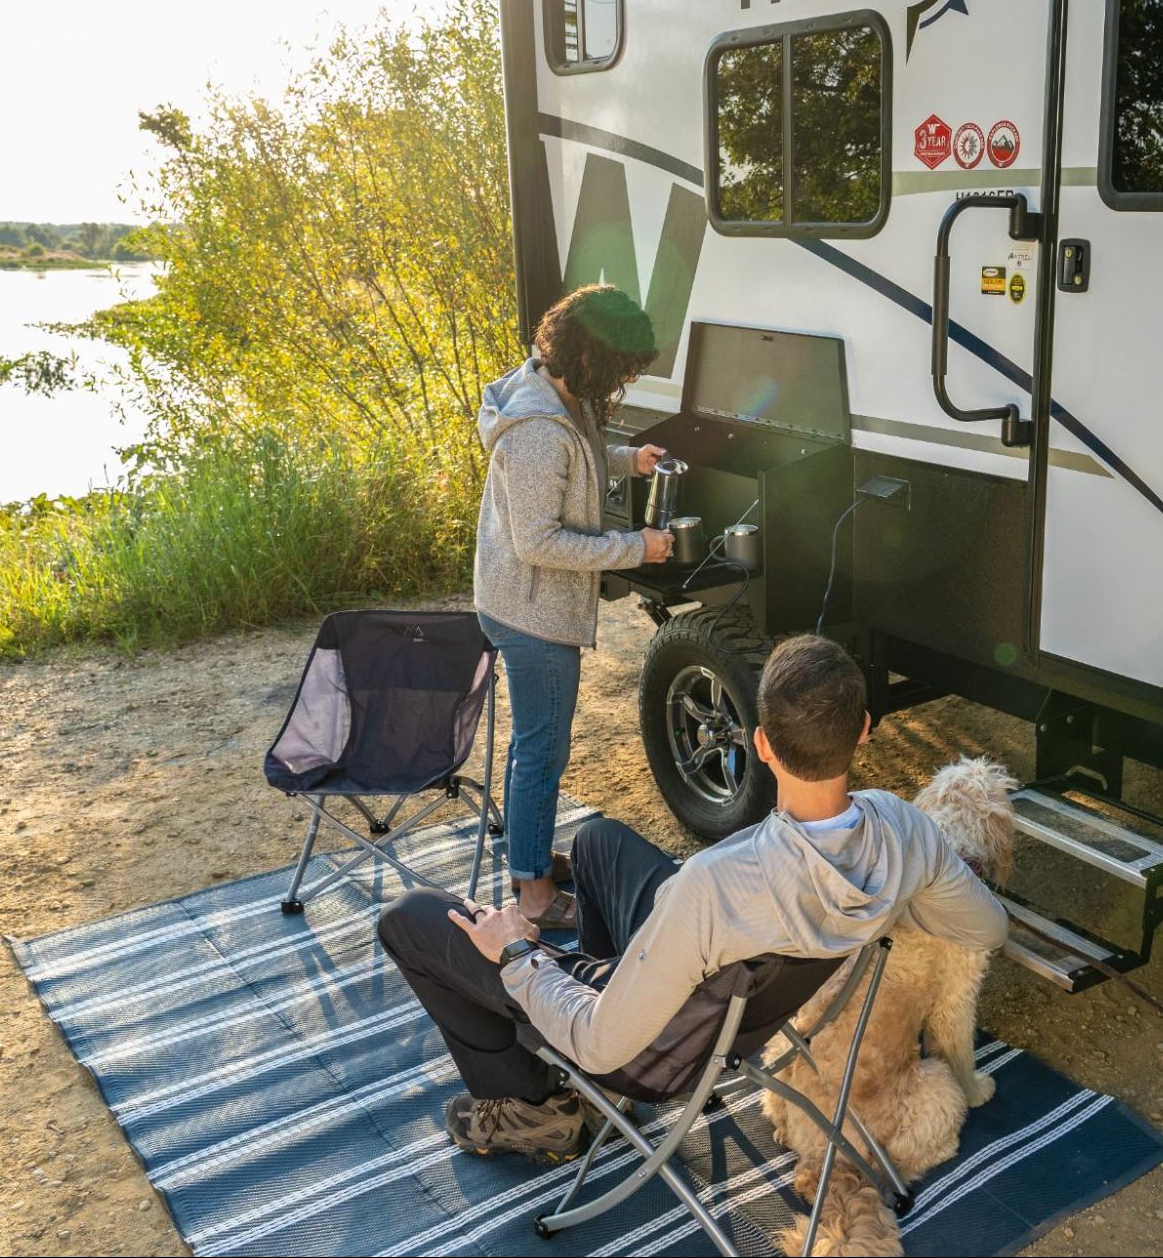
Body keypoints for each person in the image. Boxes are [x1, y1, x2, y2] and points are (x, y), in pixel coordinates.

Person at [377, 634, 1010, 1161]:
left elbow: (602, 1043)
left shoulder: (714, 882)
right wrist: (903, 895)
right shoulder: (906, 831)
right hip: (719, 1000)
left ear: (759, 743)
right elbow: (987, 928)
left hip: (653, 1052)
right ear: (865, 731)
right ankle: (594, 1025)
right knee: (598, 842)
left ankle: (533, 1108)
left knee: (411, 920)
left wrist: (515, 953)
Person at [473, 283, 674, 930]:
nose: (630, 375)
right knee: (542, 751)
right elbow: (539, 540)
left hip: (523, 600)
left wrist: (628, 460)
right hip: (532, 612)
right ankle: (533, 897)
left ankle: (528, 860)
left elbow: (579, 462)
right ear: (591, 354)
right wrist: (633, 546)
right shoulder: (535, 429)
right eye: (624, 363)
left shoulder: (557, 392)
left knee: (535, 746)